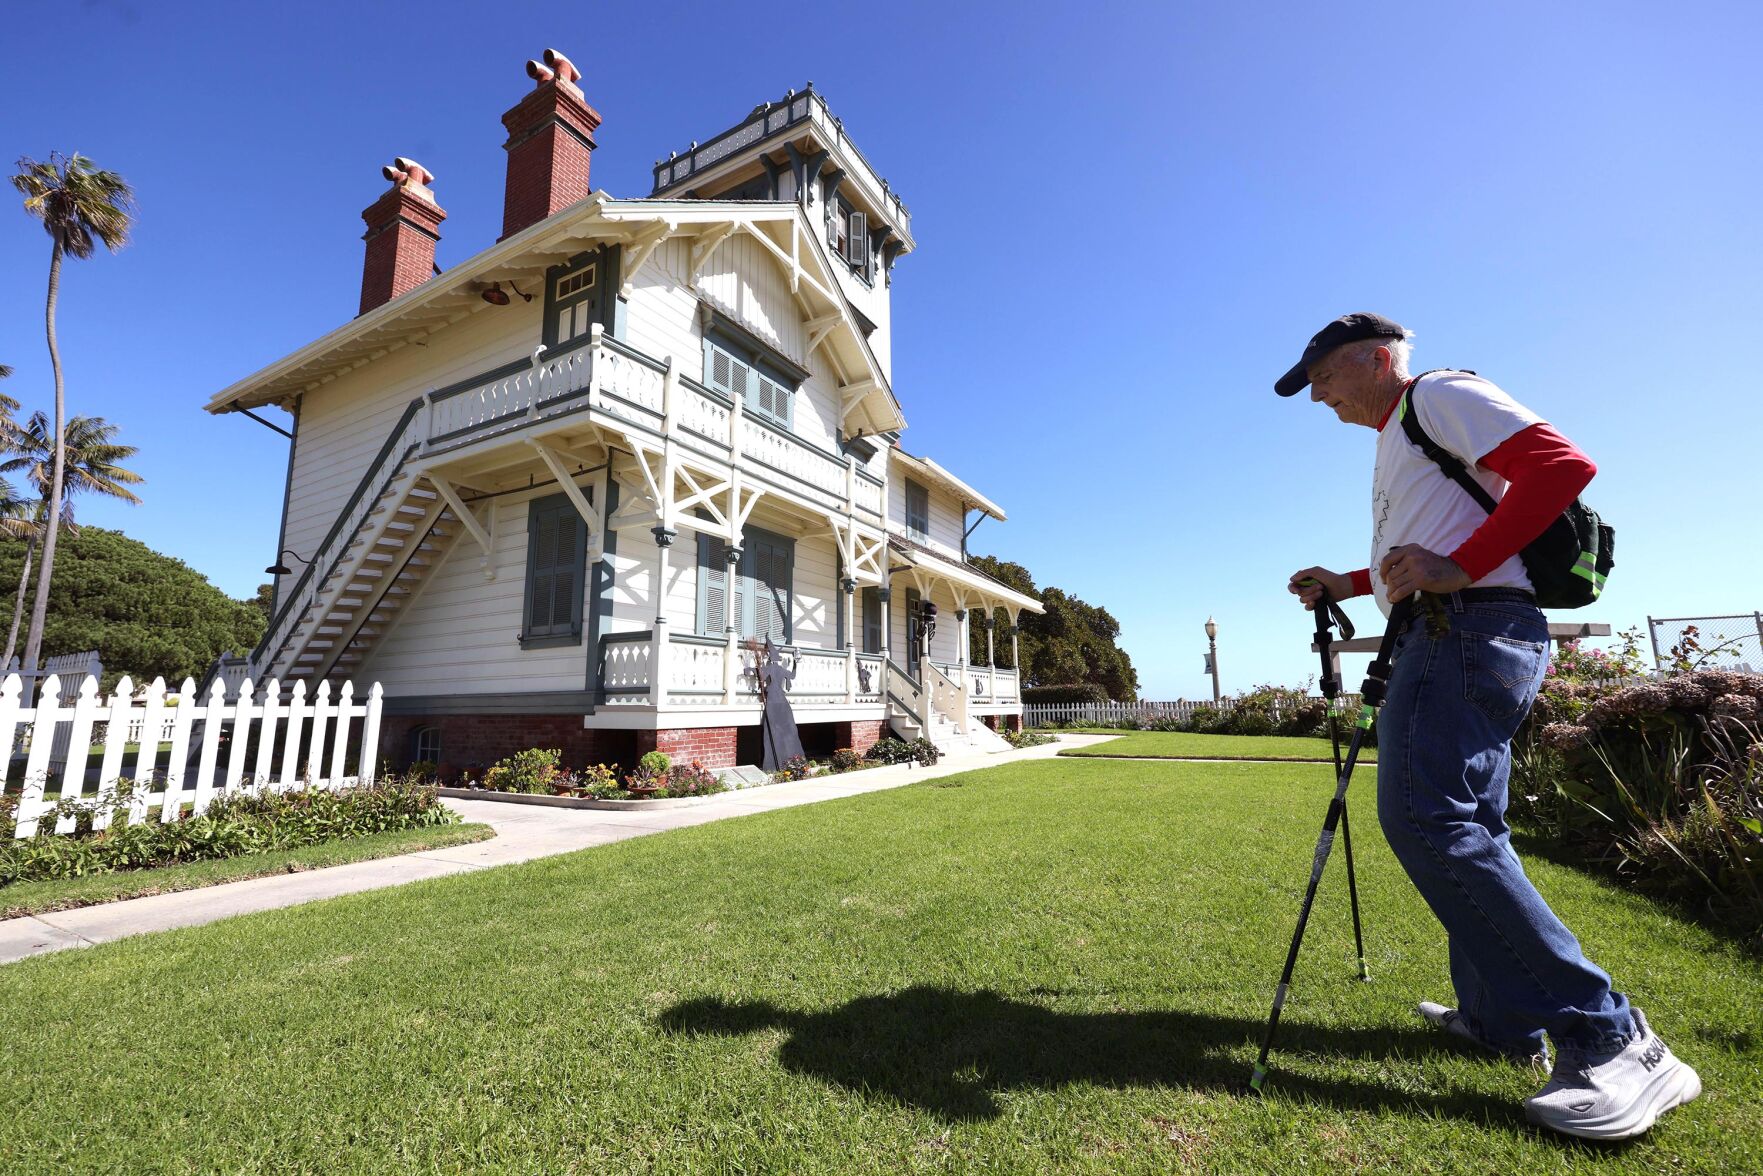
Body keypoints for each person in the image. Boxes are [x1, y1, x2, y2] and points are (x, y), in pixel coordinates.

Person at [1277, 313, 1700, 1141]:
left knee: (1428, 820)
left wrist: (1459, 568)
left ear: (1375, 357)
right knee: (1472, 824)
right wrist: (1352, 578)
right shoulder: (1402, 431)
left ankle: (1612, 1038)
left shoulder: (1436, 394)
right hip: (1458, 630)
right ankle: (1499, 1021)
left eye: (1322, 375)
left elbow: (1559, 466)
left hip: (1466, 630)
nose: (1317, 395)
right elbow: (1426, 549)